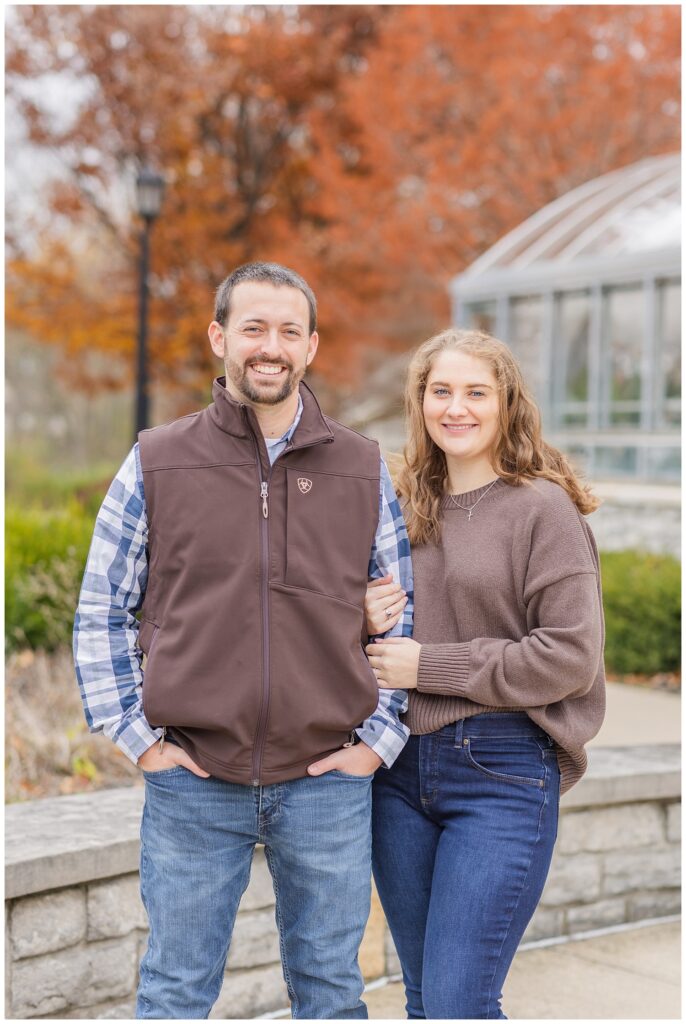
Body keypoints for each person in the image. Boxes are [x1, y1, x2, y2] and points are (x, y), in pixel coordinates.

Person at [73, 261, 414, 1020]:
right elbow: (102, 607)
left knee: (331, 995)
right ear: (220, 337)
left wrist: (376, 742)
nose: (272, 346)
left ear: (312, 346)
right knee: (174, 992)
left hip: (325, 782)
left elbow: (405, 612)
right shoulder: (158, 460)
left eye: (289, 331)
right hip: (194, 780)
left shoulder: (361, 466)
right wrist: (140, 740)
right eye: (254, 328)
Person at [363, 328, 605, 1020]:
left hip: (501, 769)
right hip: (398, 773)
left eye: (476, 392)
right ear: (421, 402)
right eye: (441, 391)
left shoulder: (541, 509)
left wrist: (429, 665)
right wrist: (361, 614)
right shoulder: (400, 504)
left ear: (507, 405)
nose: (456, 408)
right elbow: (356, 637)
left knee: (457, 1003)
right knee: (423, 999)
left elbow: (569, 655)